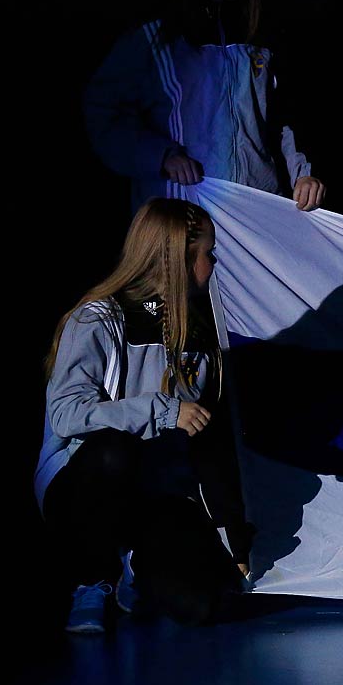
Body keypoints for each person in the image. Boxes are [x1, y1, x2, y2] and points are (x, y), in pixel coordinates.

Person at [36, 199, 252, 631]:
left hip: (152, 492)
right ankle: (91, 579)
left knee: (203, 605)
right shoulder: (98, 317)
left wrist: (234, 539)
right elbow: (65, 414)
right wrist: (163, 410)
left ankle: (136, 567)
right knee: (114, 451)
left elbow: (206, 439)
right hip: (83, 484)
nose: (213, 262)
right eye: (208, 253)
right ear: (178, 258)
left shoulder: (198, 331)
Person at [85, 0, 326, 213]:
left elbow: (283, 119)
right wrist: (159, 156)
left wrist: (302, 174)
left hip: (255, 210)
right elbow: (103, 112)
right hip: (183, 210)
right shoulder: (156, 37)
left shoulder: (261, 32)